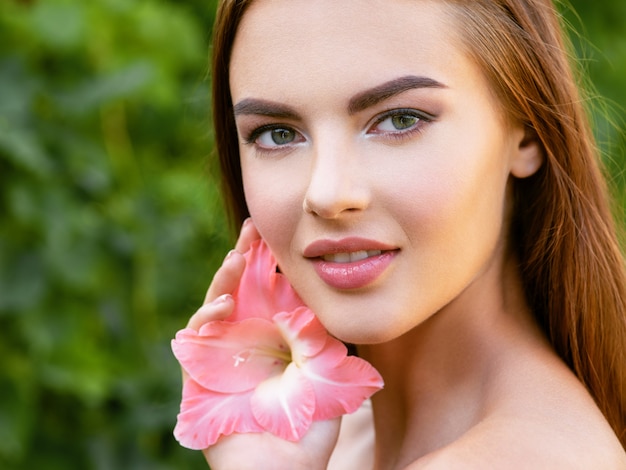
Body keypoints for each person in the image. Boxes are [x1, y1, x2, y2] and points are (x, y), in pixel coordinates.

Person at [182, 0, 626, 467]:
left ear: (527, 132)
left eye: (400, 119)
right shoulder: (334, 433)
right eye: (276, 134)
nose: (328, 193)